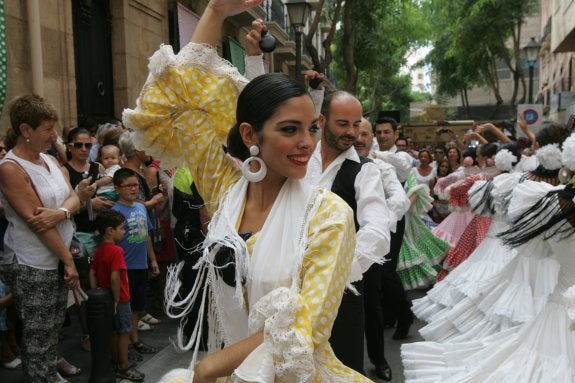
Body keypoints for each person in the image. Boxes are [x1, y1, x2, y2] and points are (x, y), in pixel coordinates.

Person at [124, 0, 372, 381]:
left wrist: (209, 368)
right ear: (249, 135)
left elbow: (302, 335)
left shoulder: (329, 215)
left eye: (311, 129)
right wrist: (215, 12)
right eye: (290, 129)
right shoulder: (226, 192)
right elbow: (186, 101)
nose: (306, 142)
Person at [303, 89, 391, 376]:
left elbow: (378, 232)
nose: (352, 132)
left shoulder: (365, 171)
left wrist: (338, 271)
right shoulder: (301, 158)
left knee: (341, 365)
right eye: (343, 124)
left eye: (356, 124)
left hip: (341, 291)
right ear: (322, 120)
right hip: (290, 282)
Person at [0, 94, 80, 382]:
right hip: (32, 264)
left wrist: (60, 213)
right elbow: (38, 223)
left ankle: (48, 375)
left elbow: (73, 197)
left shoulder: (47, 159)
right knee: (37, 335)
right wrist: (67, 258)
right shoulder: (10, 168)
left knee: (53, 326)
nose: (53, 135)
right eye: (47, 129)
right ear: (25, 130)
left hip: (56, 257)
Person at [354, 117, 410, 380]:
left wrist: (376, 227)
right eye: (355, 132)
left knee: (372, 306)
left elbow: (399, 199)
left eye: (365, 133)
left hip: (370, 250)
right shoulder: (330, 166)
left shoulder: (381, 168)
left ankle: (378, 360)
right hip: (333, 250)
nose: (359, 138)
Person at [89, 209, 145, 382]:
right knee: (123, 332)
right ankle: (124, 366)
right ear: (110, 231)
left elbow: (92, 272)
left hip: (105, 298)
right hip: (120, 299)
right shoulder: (116, 251)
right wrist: (115, 298)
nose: (124, 231)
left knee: (114, 332)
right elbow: (115, 276)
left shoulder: (99, 251)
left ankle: (116, 361)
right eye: (121, 228)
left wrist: (97, 292)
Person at [111, 168, 160, 356]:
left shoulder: (140, 207)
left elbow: (146, 234)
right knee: (125, 306)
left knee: (137, 306)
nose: (133, 189)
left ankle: (135, 339)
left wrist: (153, 259)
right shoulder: (115, 212)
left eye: (136, 185)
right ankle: (124, 346)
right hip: (124, 267)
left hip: (141, 264)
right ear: (117, 188)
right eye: (128, 186)